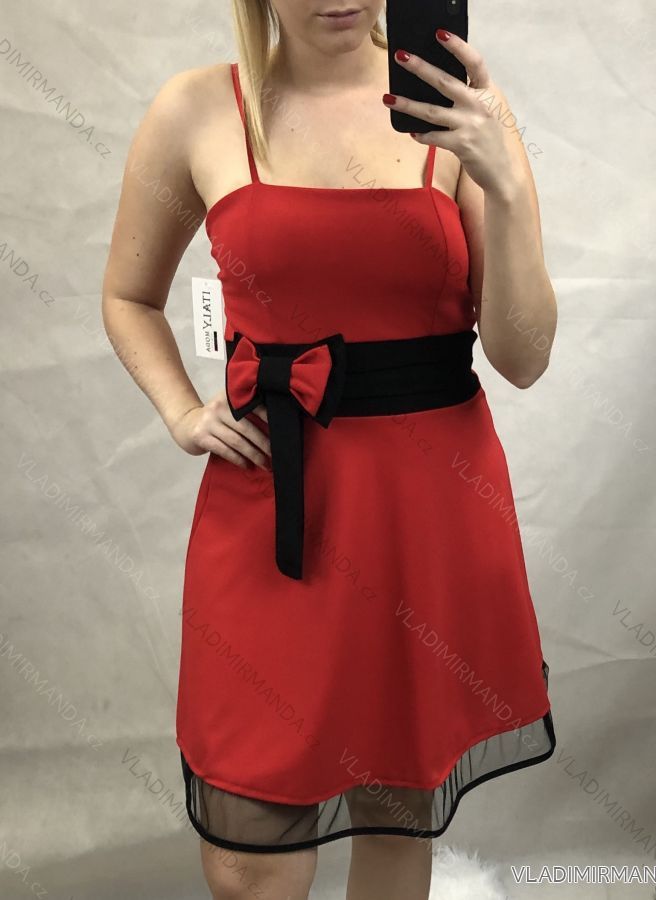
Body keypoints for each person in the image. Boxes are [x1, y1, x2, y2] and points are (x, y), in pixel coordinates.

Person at [101, 2, 558, 898]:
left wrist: (503, 182)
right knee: (247, 866)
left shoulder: (458, 112)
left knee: (396, 814)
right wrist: (181, 410)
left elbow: (524, 356)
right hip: (272, 508)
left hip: (424, 515)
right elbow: (128, 295)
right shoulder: (197, 108)